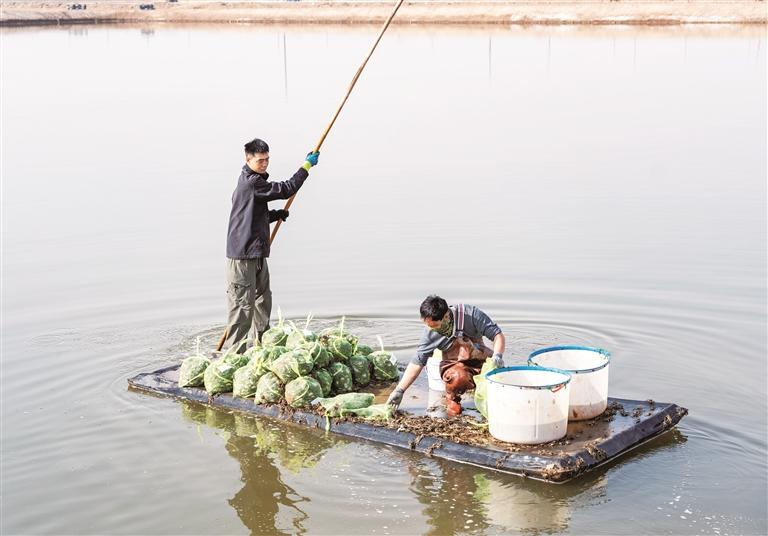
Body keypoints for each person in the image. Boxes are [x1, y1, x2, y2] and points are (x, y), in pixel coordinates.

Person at [224, 137, 319, 351]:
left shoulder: (255, 183)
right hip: (242, 256)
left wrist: (275, 215)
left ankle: (260, 347)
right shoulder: (251, 183)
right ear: (248, 159)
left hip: (257, 252)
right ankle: (234, 356)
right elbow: (286, 189)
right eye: (260, 160)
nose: (265, 164)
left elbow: (251, 215)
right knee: (242, 308)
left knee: (262, 299)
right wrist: (306, 166)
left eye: (267, 159)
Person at [386, 295, 505, 416]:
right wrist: (399, 390)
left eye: (435, 326)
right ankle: (452, 397)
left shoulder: (471, 315)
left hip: (478, 357)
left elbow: (497, 335)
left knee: (500, 374)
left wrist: (498, 356)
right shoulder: (429, 333)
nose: (431, 329)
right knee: (458, 377)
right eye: (428, 326)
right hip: (451, 365)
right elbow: (417, 362)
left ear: (446, 316)